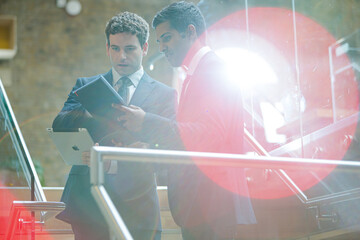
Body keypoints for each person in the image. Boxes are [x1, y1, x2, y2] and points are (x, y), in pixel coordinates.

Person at [114, 2, 257, 239]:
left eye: (167, 38)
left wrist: (147, 122)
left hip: (212, 204)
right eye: (159, 41)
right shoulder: (195, 73)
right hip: (201, 205)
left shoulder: (213, 70)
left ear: (190, 31)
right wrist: (152, 150)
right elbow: (191, 140)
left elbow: (209, 134)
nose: (162, 48)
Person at [53, 12, 177, 240]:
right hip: (87, 205)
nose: (122, 56)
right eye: (115, 48)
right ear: (107, 47)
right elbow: (60, 123)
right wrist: (96, 109)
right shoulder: (86, 86)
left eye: (129, 49)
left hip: (138, 206)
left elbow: (171, 148)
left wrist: (141, 150)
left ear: (145, 47)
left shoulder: (165, 95)